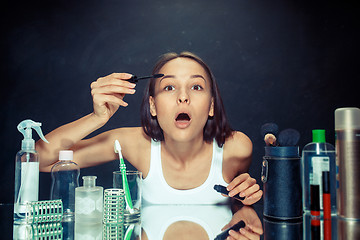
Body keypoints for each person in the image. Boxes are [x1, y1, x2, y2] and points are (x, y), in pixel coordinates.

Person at [36, 52, 263, 207]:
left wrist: (245, 202)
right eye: (169, 87)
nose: (183, 97)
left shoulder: (237, 147)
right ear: (153, 106)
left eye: (196, 86)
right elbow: (41, 159)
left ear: (211, 106)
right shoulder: (133, 144)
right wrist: (97, 118)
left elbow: (237, 205)